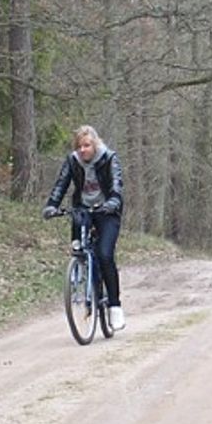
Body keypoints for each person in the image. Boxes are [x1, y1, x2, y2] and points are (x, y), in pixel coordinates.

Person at [42, 125, 126, 331]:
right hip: (83, 210)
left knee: (105, 255)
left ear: (95, 144)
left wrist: (113, 202)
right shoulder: (73, 161)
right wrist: (52, 205)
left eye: (87, 145)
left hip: (107, 212)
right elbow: (61, 184)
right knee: (79, 248)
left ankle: (114, 306)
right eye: (79, 146)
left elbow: (117, 185)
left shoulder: (109, 158)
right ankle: (82, 276)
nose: (83, 150)